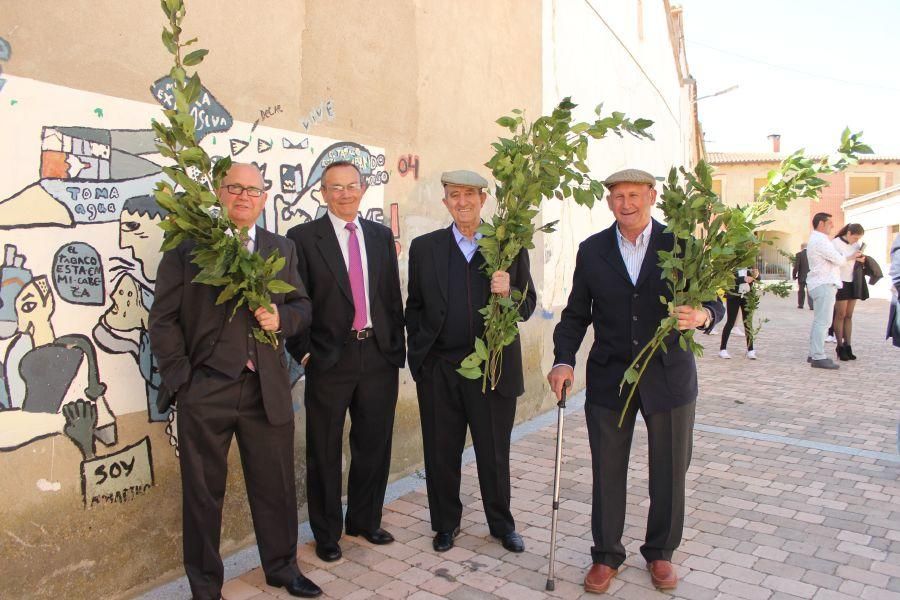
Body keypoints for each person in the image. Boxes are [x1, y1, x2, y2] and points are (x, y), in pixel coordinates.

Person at [546, 169, 724, 594]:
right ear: (609, 202)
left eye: (634, 195)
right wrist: (563, 360)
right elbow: (575, 314)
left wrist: (702, 316)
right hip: (610, 376)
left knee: (670, 470)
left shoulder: (682, 246)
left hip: (670, 377)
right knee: (607, 469)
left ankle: (660, 553)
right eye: (618, 197)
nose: (626, 203)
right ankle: (606, 555)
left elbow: (714, 300)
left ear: (652, 196)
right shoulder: (592, 250)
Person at [148, 163, 321, 599]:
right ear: (219, 194)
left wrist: (283, 317)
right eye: (233, 188)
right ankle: (205, 587)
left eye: (252, 190)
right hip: (206, 389)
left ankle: (282, 568)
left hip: (267, 389)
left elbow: (303, 307)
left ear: (264, 200)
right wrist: (183, 380)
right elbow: (164, 320)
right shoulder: (187, 248)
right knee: (203, 495)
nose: (243, 196)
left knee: (276, 486)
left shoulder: (280, 248)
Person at [406, 170, 536, 554]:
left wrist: (508, 289)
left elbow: (527, 305)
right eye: (453, 195)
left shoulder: (508, 247)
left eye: (469, 195)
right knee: (441, 451)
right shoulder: (425, 248)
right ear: (445, 202)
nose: (461, 202)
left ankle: (501, 524)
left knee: (494, 451)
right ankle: (445, 524)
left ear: (483, 199)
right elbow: (414, 307)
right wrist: (422, 361)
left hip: (491, 369)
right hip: (440, 370)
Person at [285, 160, 405, 563]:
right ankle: (327, 533)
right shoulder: (302, 238)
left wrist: (394, 348)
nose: (344, 193)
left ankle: (365, 520)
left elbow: (390, 297)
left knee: (374, 443)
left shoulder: (380, 236)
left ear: (363, 188)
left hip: (376, 354)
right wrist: (303, 351)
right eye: (335, 187)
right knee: (324, 447)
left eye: (351, 185)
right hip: (328, 358)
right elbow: (293, 300)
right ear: (323, 192)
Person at [805, 213, 862, 369]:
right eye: (830, 223)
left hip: (821, 283)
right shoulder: (821, 240)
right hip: (824, 283)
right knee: (823, 322)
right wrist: (849, 256)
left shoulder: (818, 239)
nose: (832, 226)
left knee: (819, 321)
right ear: (821, 224)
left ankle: (814, 353)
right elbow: (838, 259)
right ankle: (818, 356)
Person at [831, 224, 866, 361]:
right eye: (855, 237)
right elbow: (835, 262)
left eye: (859, 238)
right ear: (849, 233)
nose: (856, 241)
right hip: (840, 281)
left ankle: (848, 345)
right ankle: (839, 346)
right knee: (840, 314)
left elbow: (856, 262)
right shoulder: (835, 243)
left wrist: (862, 259)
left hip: (853, 281)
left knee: (849, 315)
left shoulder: (856, 245)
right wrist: (852, 256)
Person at [718, 268, 759, 360]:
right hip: (733, 296)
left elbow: (757, 280)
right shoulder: (733, 265)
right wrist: (743, 279)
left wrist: (757, 275)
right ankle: (722, 349)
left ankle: (750, 350)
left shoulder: (750, 266)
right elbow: (728, 281)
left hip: (747, 297)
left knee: (748, 323)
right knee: (730, 322)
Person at [793, 244, 813, 310]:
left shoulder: (799, 254)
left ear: (801, 247)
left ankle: (800, 305)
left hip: (802, 276)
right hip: (811, 276)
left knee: (801, 291)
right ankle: (811, 305)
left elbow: (796, 266)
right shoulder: (812, 254)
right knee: (810, 291)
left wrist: (794, 275)